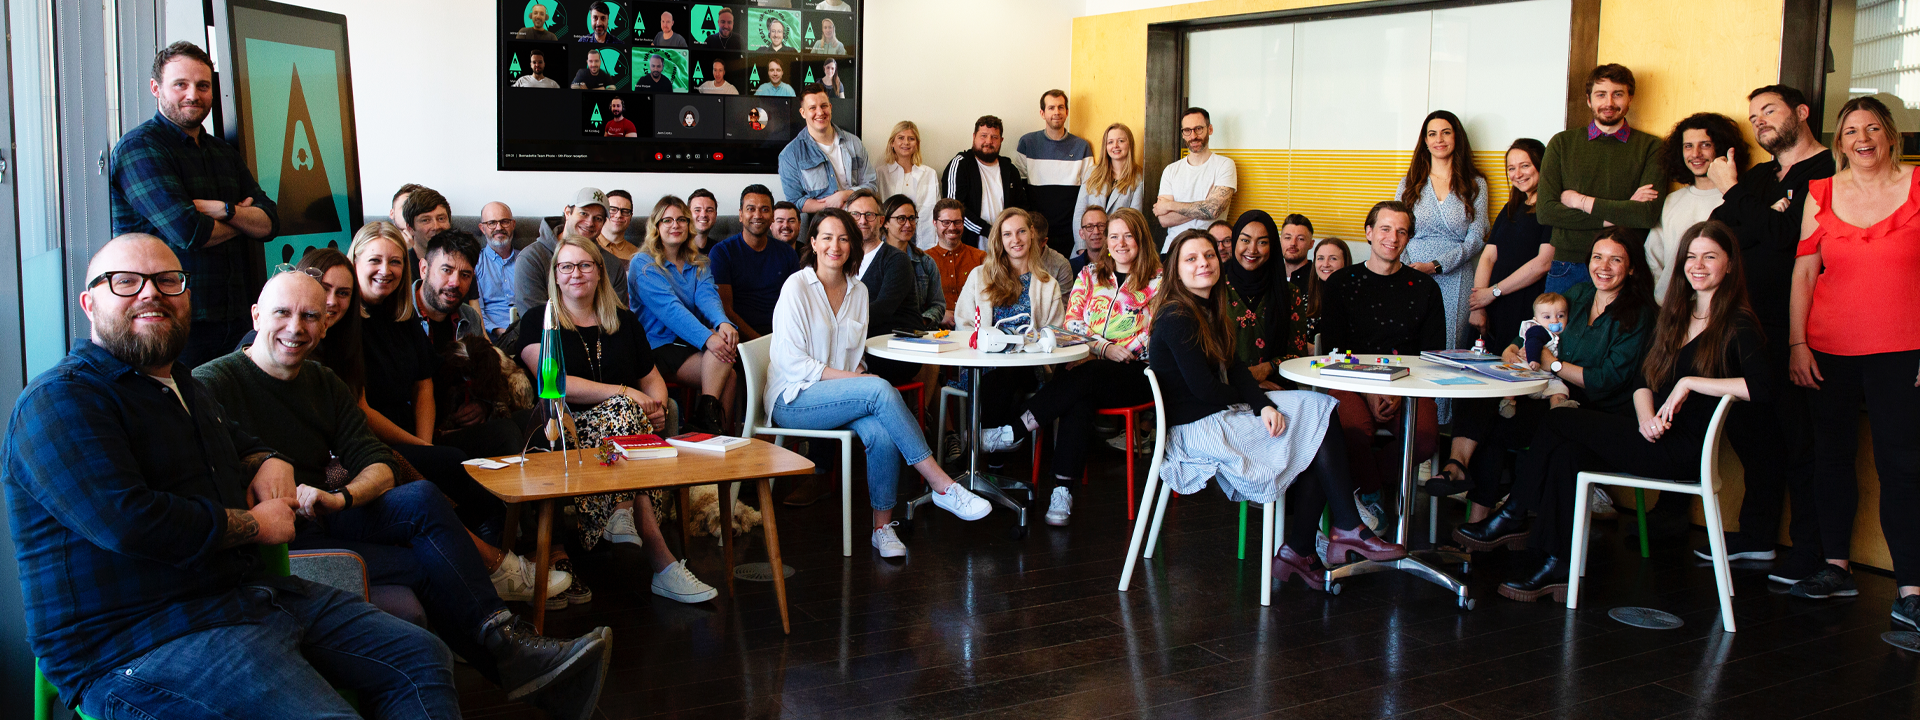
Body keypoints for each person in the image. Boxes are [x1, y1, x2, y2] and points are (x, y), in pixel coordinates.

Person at [1, 235, 493, 720]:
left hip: (246, 599)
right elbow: (130, 523)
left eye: (168, 281)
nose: (150, 292)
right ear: (90, 303)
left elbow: (246, 443)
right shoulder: (59, 401)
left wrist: (268, 458)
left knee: (422, 655)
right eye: (125, 282)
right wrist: (255, 525)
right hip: (138, 641)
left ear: (187, 297)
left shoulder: (184, 388)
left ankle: (501, 638)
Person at [193, 271, 610, 719]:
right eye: (283, 313)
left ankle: (512, 647)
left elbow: (378, 460)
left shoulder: (323, 381)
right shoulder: (211, 384)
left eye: (310, 316)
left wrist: (343, 498)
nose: (297, 327)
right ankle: (521, 660)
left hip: (330, 510)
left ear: (325, 325)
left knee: (422, 497)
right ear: (257, 316)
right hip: (279, 538)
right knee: (430, 564)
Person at [1463, 221, 1771, 603]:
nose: (1698, 265)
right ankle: (1557, 566)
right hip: (1649, 431)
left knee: (1559, 419)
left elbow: (1763, 386)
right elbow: (1644, 379)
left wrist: (1689, 384)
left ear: (1730, 265)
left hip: (1681, 450)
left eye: (1710, 257)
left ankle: (1514, 513)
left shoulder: (1736, 323)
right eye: (1691, 256)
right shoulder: (1677, 316)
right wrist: (1645, 416)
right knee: (1567, 452)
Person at [1149, 229, 1408, 592]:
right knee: (1312, 427)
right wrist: (1258, 405)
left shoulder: (1210, 306)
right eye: (1191, 259)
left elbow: (1236, 368)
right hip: (1198, 428)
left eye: (1208, 256)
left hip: (1217, 413)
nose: (1203, 264)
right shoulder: (1177, 315)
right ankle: (1320, 539)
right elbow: (1205, 390)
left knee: (1318, 411)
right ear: (1176, 270)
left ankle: (1321, 540)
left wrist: (1261, 403)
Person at [766, 208, 993, 557]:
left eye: (843, 238)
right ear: (813, 242)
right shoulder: (796, 287)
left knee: (881, 430)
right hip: (794, 399)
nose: (835, 246)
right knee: (876, 388)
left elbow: (855, 355)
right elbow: (792, 363)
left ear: (853, 245)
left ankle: (882, 528)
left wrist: (857, 378)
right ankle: (941, 483)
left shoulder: (858, 292)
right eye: (826, 237)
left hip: (841, 395)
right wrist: (859, 381)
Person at [509, 235, 721, 605]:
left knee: (636, 411)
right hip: (567, 429)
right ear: (555, 276)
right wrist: (624, 393)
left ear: (600, 272)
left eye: (585, 265)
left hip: (624, 431)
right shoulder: (537, 320)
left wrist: (655, 401)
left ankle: (625, 516)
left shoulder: (622, 321)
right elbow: (552, 382)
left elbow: (650, 375)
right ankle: (659, 557)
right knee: (624, 409)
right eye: (567, 267)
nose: (576, 274)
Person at [1786, 96, 1920, 621]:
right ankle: (1835, 567)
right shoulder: (1821, 192)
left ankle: (1911, 591)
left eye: (1871, 128)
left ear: (1890, 135)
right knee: (1831, 459)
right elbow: (1803, 273)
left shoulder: (1917, 186)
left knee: (1902, 466)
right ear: (1839, 143)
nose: (1861, 139)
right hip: (1827, 350)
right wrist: (1798, 343)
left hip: (1902, 350)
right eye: (1849, 132)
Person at [1706, 84, 1836, 581]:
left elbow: (1788, 240)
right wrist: (1762, 213)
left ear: (1801, 113)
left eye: (1769, 111)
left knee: (1802, 439)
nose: (1759, 121)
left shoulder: (1826, 171)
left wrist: (1739, 198)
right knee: (1753, 433)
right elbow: (1720, 232)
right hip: (1743, 323)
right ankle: (1757, 537)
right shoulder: (1761, 176)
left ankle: (1810, 553)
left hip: (1796, 325)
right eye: (1753, 114)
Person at [1442, 228, 1657, 524]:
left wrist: (1552, 365)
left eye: (1615, 260)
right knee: (1485, 404)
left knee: (1499, 426)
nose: (1603, 267)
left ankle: (1494, 522)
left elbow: (1605, 380)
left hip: (1592, 410)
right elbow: (1539, 324)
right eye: (1597, 257)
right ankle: (1467, 497)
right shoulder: (1581, 294)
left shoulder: (1639, 315)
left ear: (1632, 268)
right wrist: (1515, 347)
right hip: (1552, 393)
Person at [982, 206, 1163, 526]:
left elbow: (1158, 333)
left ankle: (1014, 430)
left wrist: (1110, 351)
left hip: (1138, 373)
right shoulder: (1092, 275)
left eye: (1128, 236)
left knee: (1084, 376)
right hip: (1092, 368)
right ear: (1106, 241)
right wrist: (1102, 348)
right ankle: (1062, 491)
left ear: (1141, 240)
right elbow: (1070, 326)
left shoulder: (1159, 282)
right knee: (1081, 393)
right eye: (1114, 236)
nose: (1121, 243)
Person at [110, 42, 280, 369]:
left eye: (202, 86)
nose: (193, 94)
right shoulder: (139, 148)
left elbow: (271, 222)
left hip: (235, 313)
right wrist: (243, 220)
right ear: (155, 88)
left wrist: (222, 210)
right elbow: (189, 231)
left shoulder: (223, 152)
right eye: (180, 85)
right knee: (182, 416)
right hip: (173, 319)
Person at [1318, 201, 1444, 506]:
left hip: (1408, 384)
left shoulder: (1425, 287)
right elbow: (1334, 349)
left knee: (1425, 440)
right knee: (1351, 433)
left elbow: (1431, 353)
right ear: (1369, 233)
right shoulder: (1341, 283)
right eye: (1385, 228)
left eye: (1402, 231)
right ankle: (1373, 496)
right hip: (1349, 380)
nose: (1393, 237)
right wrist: (1368, 391)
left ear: (1409, 239)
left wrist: (1397, 391)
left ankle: (1364, 487)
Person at [1537, 64, 1664, 293]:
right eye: (1601, 94)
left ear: (1630, 98)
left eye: (1618, 94)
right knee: (1558, 330)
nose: (1609, 103)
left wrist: (1580, 202)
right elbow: (1546, 211)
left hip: (1625, 265)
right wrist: (1619, 214)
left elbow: (1646, 215)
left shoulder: (1652, 147)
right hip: (1569, 265)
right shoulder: (1561, 144)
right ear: (1589, 100)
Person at [956, 209, 1064, 460]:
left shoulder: (1048, 284)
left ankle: (977, 452)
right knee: (998, 375)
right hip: (982, 365)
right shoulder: (979, 276)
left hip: (1028, 367)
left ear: (1032, 234)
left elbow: (1054, 332)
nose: (1015, 239)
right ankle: (996, 452)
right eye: (1007, 234)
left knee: (1008, 373)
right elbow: (963, 324)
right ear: (1000, 240)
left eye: (1021, 231)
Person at [628, 195, 740, 434]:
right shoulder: (643, 263)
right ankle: (707, 428)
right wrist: (709, 337)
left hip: (688, 341)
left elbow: (707, 297)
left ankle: (713, 434)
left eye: (681, 220)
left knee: (729, 374)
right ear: (656, 227)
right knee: (722, 357)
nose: (675, 225)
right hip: (656, 345)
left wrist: (722, 323)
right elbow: (670, 310)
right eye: (667, 220)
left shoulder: (698, 261)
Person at [1400, 111, 1489, 376]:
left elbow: (1476, 238)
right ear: (1424, 142)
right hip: (1411, 274)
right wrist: (1407, 270)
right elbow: (1397, 231)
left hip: (1456, 277)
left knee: (1447, 352)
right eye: (1432, 133)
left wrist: (1437, 265)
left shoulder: (1476, 184)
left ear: (1456, 137)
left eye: (1446, 132)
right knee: (1409, 345)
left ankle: (1442, 417)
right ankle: (1409, 414)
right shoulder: (1409, 183)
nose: (1439, 139)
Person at [1466, 139, 1555, 351]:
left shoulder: (1552, 209)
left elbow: (1544, 263)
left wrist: (1493, 292)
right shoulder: (1511, 207)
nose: (1518, 174)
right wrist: (1479, 305)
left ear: (1542, 165)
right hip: (1493, 305)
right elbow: (1488, 257)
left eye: (1525, 165)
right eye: (1511, 168)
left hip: (1526, 303)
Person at [1647, 113, 1743, 300]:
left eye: (1705, 145)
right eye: (1688, 146)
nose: (1696, 154)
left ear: (1720, 148)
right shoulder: (1672, 200)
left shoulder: (1736, 199)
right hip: (1670, 307)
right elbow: (1653, 257)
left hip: (1717, 309)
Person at [1221, 210, 1308, 395]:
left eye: (1262, 242)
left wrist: (1267, 368)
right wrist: (1247, 382)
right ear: (1235, 241)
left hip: (1278, 389)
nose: (1252, 250)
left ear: (1273, 247)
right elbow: (1204, 355)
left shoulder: (1290, 293)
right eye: (1245, 240)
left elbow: (1298, 356)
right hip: (1225, 389)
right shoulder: (1216, 290)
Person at [845, 189, 921, 387]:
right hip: (855, 345)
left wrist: (839, 324)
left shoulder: (896, 260)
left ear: (880, 221)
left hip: (893, 350)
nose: (862, 221)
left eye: (869, 215)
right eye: (855, 215)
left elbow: (883, 309)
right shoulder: (841, 259)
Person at [513, 187, 626, 318]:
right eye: (584, 213)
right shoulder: (531, 258)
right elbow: (534, 320)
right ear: (567, 212)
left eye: (598, 218)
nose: (590, 223)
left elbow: (618, 318)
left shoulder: (612, 264)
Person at [712, 185, 800, 339]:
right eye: (751, 209)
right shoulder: (722, 253)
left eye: (765, 209)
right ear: (741, 215)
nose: (758, 215)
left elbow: (796, 302)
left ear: (772, 216)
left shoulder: (787, 253)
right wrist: (759, 342)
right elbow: (725, 309)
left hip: (783, 333)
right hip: (740, 336)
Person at [1016, 90, 1093, 257]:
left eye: (1061, 107)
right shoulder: (1027, 143)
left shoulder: (1082, 147)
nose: (1056, 112)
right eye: (1051, 108)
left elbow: (1089, 192)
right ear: (1042, 113)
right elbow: (1019, 189)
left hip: (1070, 232)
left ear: (1067, 112)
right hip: (1036, 232)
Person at [779, 84, 875, 213]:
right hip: (821, 225)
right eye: (812, 108)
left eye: (824, 106)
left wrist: (844, 195)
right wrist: (829, 204)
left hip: (858, 221)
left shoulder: (854, 143)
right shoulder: (790, 154)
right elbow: (795, 202)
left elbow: (872, 186)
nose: (820, 112)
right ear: (803, 113)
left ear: (830, 107)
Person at [1153, 107, 1236, 251]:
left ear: (1209, 129)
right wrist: (1204, 205)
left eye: (1198, 129)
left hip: (1209, 250)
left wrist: (1170, 205)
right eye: (1187, 130)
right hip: (1172, 250)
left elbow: (1213, 210)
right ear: (1183, 134)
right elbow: (1164, 219)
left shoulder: (1225, 165)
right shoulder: (1171, 170)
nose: (1193, 136)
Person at [943, 115, 1032, 248]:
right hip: (969, 247)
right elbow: (953, 210)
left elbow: (1022, 207)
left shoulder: (1010, 169)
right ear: (974, 137)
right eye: (983, 136)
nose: (988, 141)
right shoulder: (960, 165)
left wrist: (1012, 233)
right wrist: (990, 231)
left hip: (1007, 246)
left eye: (994, 137)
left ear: (1001, 140)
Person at [1072, 122, 1146, 253]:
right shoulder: (1092, 173)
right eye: (1110, 142)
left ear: (1129, 144)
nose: (1115, 146)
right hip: (1087, 247)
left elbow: (1134, 220)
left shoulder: (1138, 178)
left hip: (1118, 249)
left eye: (1121, 141)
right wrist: (1081, 247)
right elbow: (1079, 213)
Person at [883, 194, 945, 331]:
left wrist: (921, 322)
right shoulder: (874, 259)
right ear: (885, 222)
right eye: (901, 219)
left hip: (917, 336)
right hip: (880, 335)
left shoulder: (926, 262)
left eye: (912, 218)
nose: (908, 224)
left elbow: (938, 304)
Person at [878, 121, 942, 249]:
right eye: (900, 138)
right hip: (890, 239)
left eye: (911, 139)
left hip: (923, 237)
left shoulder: (929, 173)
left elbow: (935, 210)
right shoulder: (881, 173)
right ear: (892, 143)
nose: (906, 142)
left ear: (917, 144)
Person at [926, 198, 985, 327]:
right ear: (935, 223)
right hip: (934, 332)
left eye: (957, 222)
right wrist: (939, 314)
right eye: (946, 222)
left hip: (974, 330)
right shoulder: (925, 260)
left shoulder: (981, 258)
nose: (952, 227)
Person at [476, 201, 521, 337]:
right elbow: (475, 309)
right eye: (491, 223)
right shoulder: (474, 263)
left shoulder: (527, 261)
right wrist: (498, 331)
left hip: (526, 331)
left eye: (504, 222)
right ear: (482, 228)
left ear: (513, 225)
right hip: (492, 336)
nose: (499, 227)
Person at [400, 186, 454, 260]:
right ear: (410, 228)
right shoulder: (402, 265)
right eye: (425, 220)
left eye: (441, 219)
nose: (436, 227)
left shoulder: (465, 260)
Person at [1278, 213, 1314, 291]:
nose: (1293, 243)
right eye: (1287, 238)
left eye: (1300, 239)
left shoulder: (1317, 278)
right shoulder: (1271, 276)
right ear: (1280, 241)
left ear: (1311, 244)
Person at [1070, 205, 1109, 275]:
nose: (1096, 232)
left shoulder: (1119, 264)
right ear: (1081, 234)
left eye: (1101, 226)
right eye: (1089, 227)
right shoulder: (1070, 268)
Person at [689, 188, 721, 253]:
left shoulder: (720, 250)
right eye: (697, 210)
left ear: (715, 215)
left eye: (709, 210)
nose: (703, 215)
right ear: (688, 214)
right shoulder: (677, 248)